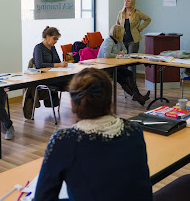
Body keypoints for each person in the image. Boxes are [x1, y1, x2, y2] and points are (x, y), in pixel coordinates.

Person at [34, 68, 152, 201]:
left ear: (72, 104)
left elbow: (42, 198)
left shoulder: (63, 140)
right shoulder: (134, 130)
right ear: (110, 101)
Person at [98, 25, 150, 106]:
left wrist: (122, 53)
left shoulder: (119, 40)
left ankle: (137, 95)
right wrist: (117, 54)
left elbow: (125, 50)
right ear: (118, 33)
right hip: (105, 67)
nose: (124, 34)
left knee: (129, 73)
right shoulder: (109, 41)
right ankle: (138, 97)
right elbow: (107, 55)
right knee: (121, 77)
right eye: (122, 32)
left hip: (114, 65)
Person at [33, 26, 69, 107]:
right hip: (45, 78)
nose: (56, 41)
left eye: (57, 39)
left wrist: (63, 64)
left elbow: (57, 61)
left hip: (54, 76)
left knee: (74, 81)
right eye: (54, 38)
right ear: (47, 36)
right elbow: (39, 65)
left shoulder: (53, 48)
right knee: (72, 84)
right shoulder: (38, 48)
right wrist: (59, 65)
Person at [116, 0, 151, 79]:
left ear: (132, 3)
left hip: (133, 40)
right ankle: (125, 82)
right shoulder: (121, 13)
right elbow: (117, 25)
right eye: (125, 0)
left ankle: (132, 82)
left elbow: (148, 19)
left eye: (128, 1)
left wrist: (140, 28)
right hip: (122, 40)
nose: (125, 2)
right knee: (123, 61)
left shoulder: (137, 13)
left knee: (132, 62)